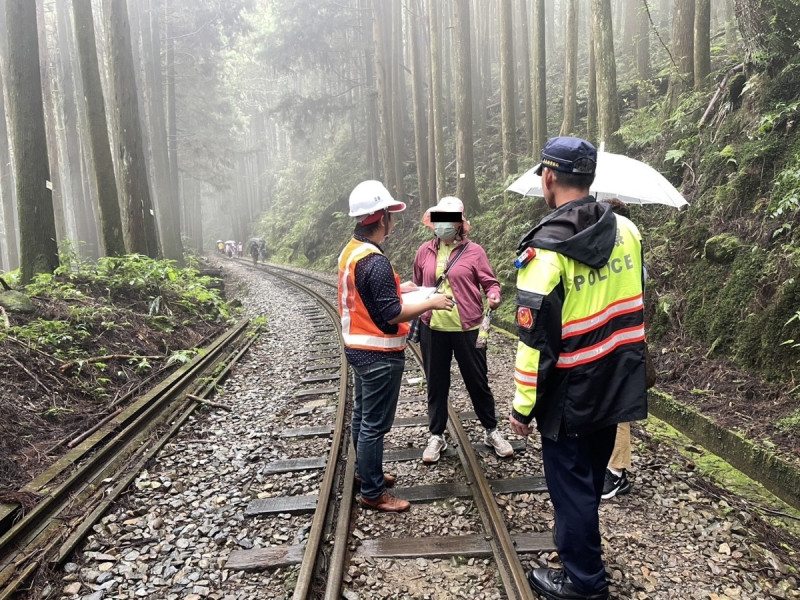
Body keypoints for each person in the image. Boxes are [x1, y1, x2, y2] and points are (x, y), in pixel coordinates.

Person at [508, 137, 648, 600]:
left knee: (571, 489)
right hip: (616, 381)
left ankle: (585, 582)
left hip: (570, 394)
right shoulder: (627, 232)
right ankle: (578, 551)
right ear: (591, 178)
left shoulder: (544, 251)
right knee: (588, 479)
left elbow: (534, 344)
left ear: (548, 178)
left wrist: (522, 407)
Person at [338, 180, 454, 513]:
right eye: (390, 214)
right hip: (378, 354)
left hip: (358, 348)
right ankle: (373, 492)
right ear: (381, 218)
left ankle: (365, 473)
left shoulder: (354, 250)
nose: (393, 220)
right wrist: (431, 301)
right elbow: (391, 312)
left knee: (362, 416)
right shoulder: (373, 261)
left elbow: (369, 295)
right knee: (375, 424)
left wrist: (399, 287)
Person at [412, 196, 513, 463]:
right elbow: (418, 285)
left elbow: (490, 282)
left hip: (469, 328)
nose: (442, 225)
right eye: (439, 219)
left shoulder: (474, 252)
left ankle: (491, 431)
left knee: (477, 382)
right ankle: (436, 436)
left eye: (448, 220)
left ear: (459, 224)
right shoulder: (424, 251)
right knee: (436, 383)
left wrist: (494, 295)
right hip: (432, 328)